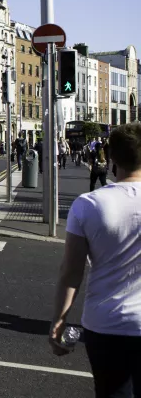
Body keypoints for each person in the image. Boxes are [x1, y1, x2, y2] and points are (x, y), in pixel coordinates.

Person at [51, 122, 141, 397]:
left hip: (106, 324)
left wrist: (59, 320)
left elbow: (71, 272)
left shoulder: (88, 205)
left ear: (111, 157)